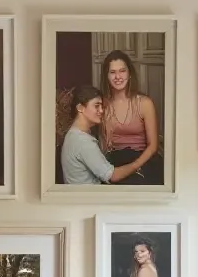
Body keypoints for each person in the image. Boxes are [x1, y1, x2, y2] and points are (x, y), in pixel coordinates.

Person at [59, 86, 148, 185]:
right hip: (89, 198)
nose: (101, 111)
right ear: (80, 108)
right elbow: (112, 176)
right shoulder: (83, 141)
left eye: (102, 106)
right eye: (97, 106)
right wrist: (137, 164)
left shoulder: (74, 134)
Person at [100, 51, 163, 185]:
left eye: (122, 71)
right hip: (116, 160)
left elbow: (153, 146)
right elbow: (105, 145)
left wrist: (135, 166)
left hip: (143, 159)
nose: (118, 76)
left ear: (129, 74)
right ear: (106, 76)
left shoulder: (145, 103)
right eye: (112, 72)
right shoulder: (103, 104)